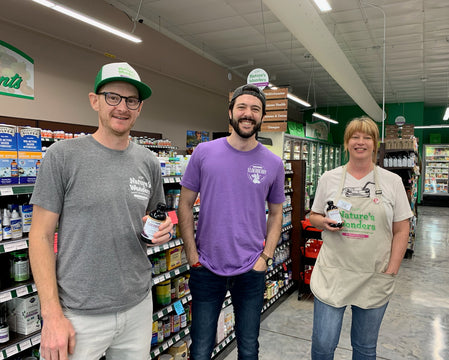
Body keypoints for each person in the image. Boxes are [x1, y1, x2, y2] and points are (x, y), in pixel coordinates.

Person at [29, 62, 173, 360]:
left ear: (139, 108)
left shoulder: (148, 162)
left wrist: (162, 230)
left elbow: (153, 220)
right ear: (94, 100)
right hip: (78, 314)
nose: (122, 107)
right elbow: (40, 237)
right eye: (113, 97)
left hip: (137, 305)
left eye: (131, 100)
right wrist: (52, 315)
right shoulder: (62, 156)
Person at [178, 84, 286, 360]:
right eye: (242, 107)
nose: (248, 114)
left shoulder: (273, 164)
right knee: (201, 349)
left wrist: (266, 256)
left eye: (255, 109)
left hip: (251, 268)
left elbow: (276, 213)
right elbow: (185, 205)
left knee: (248, 347)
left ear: (261, 117)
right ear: (230, 112)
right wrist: (192, 255)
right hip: (206, 266)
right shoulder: (203, 153)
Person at [308, 116, 413, 360]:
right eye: (355, 136)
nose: (360, 142)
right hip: (334, 273)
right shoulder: (329, 178)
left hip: (374, 274)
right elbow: (313, 215)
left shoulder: (392, 182)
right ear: (347, 143)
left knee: (365, 349)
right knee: (323, 345)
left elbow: (402, 228)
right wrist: (321, 221)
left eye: (367, 137)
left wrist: (392, 268)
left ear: (375, 144)